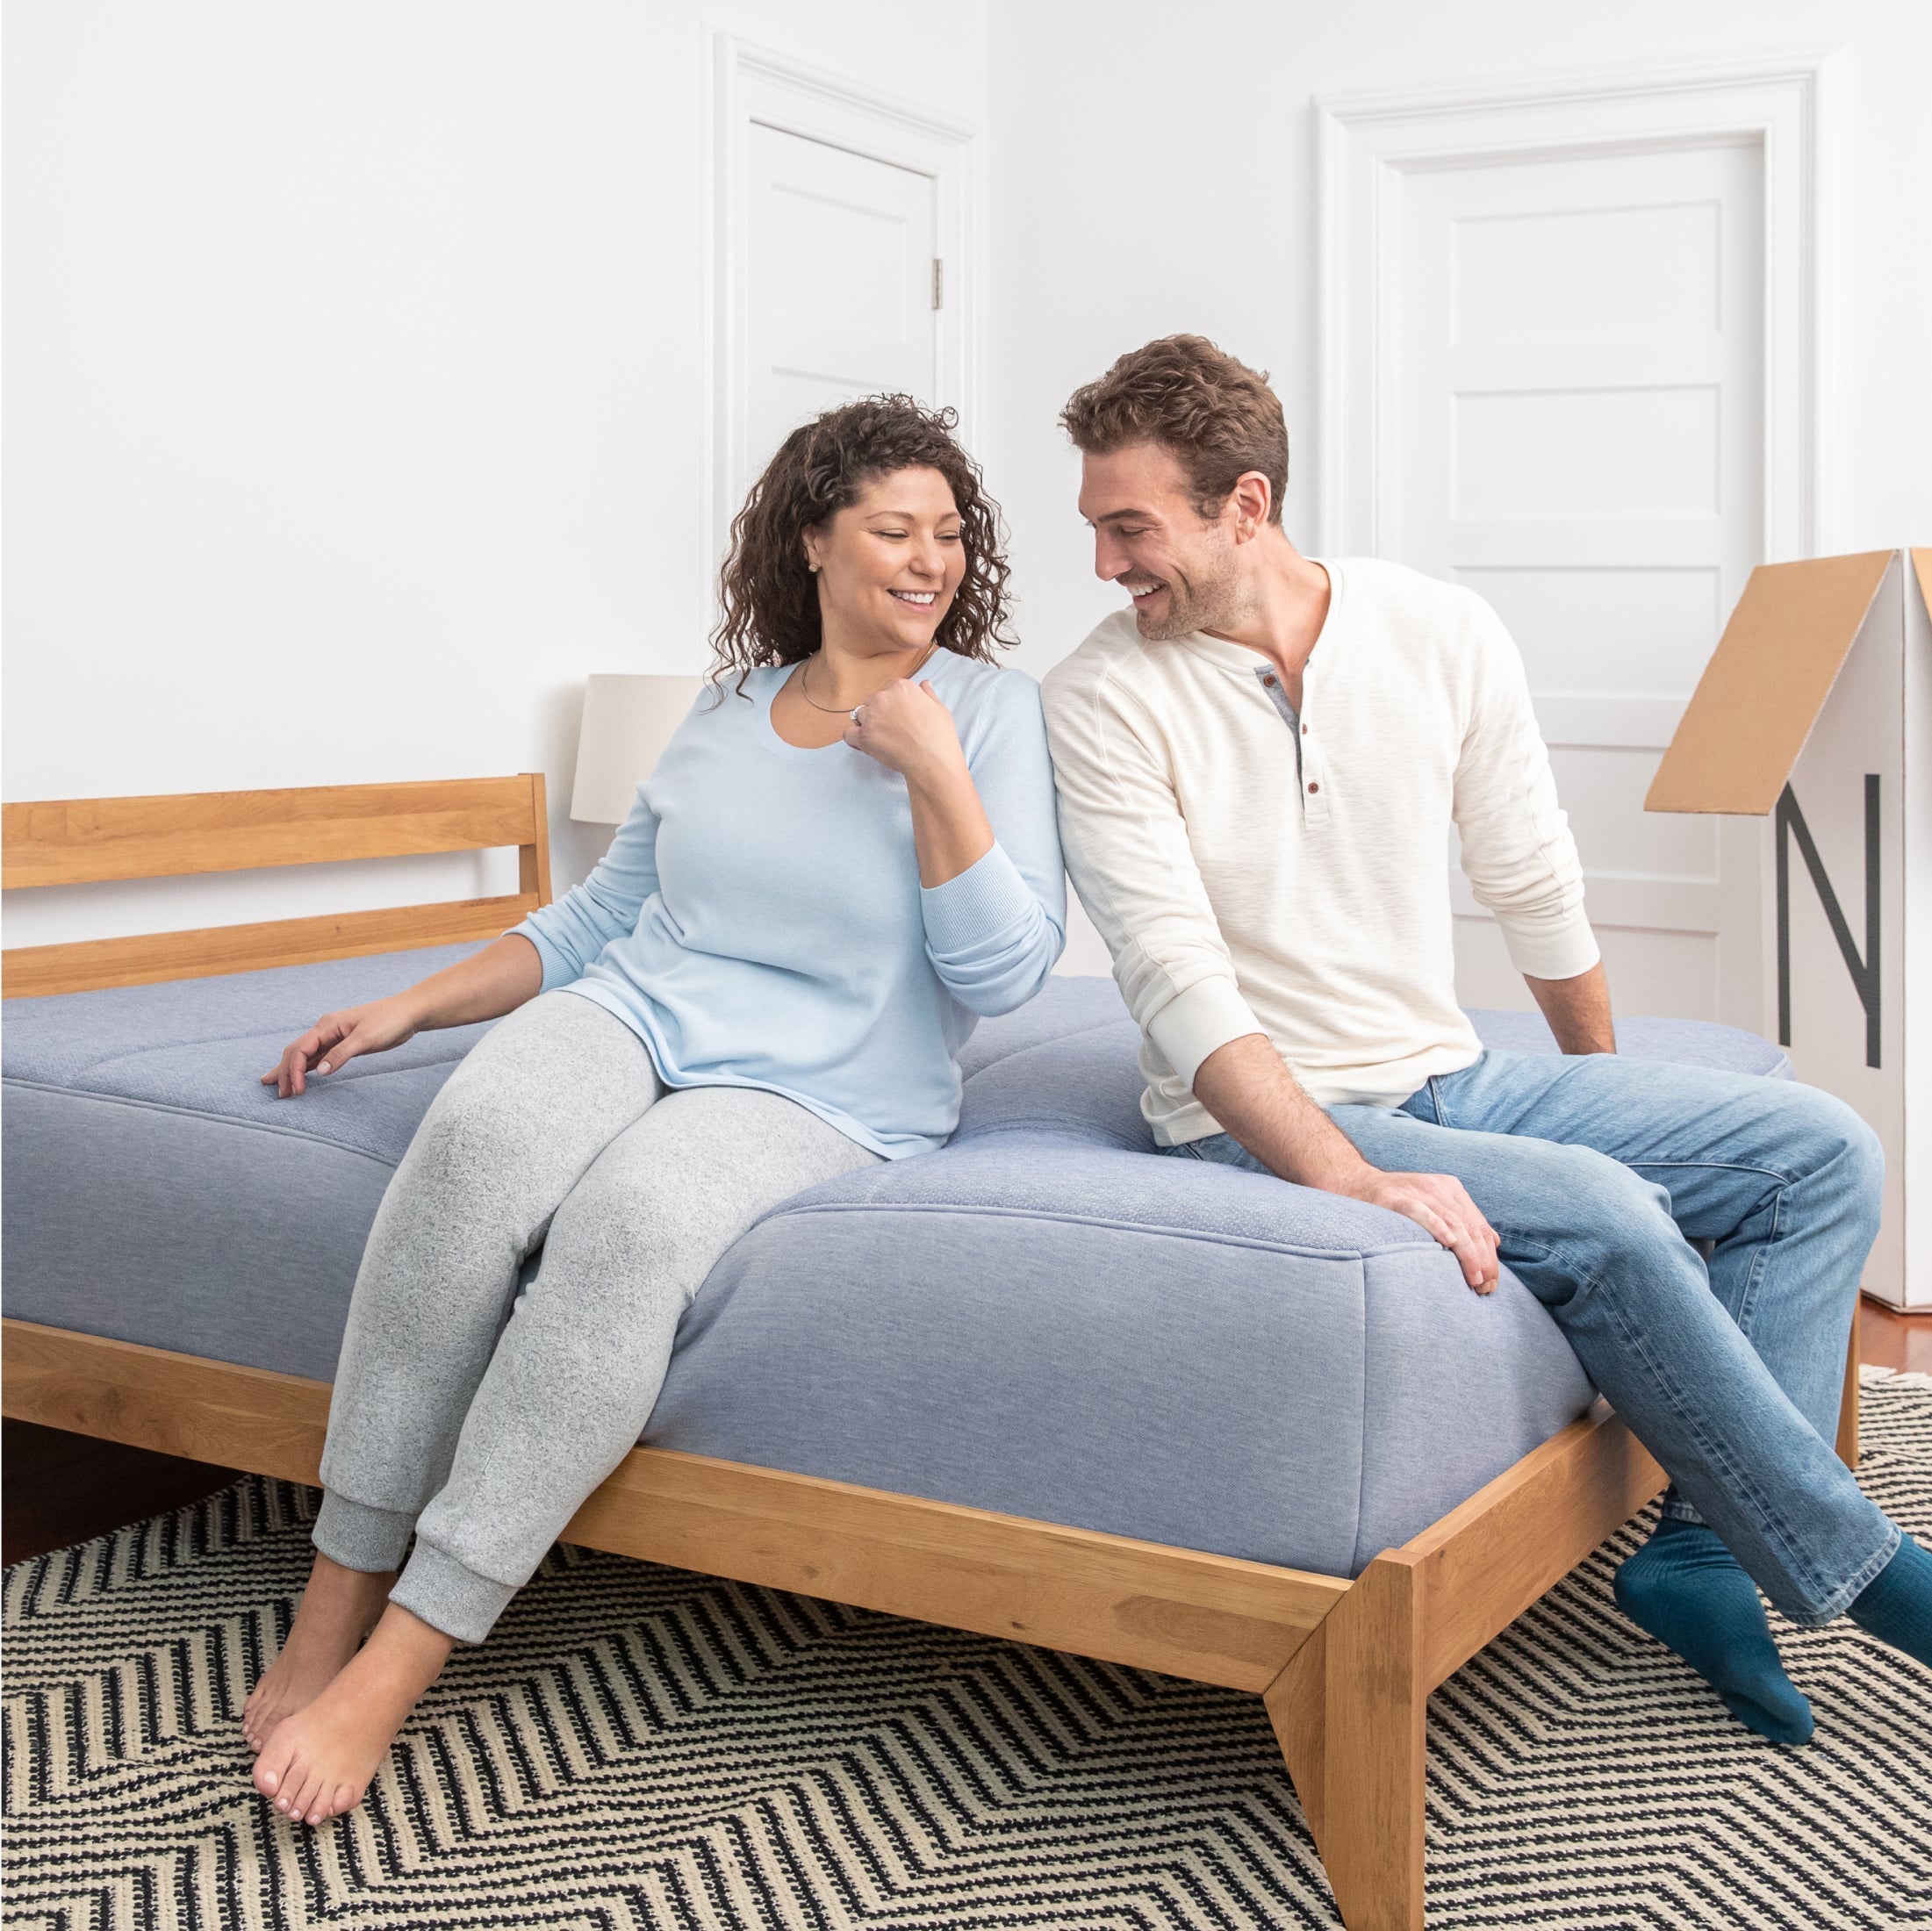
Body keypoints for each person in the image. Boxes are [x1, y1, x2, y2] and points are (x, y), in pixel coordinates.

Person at [1040, 334, 1932, 1746]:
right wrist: (1347, 1178)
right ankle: (1870, 1575)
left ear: (1245, 505)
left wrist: (1600, 1087)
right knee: (1605, 1213)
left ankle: (1696, 1552)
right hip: (1251, 1107)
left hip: (1446, 1066)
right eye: (1095, 527)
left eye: (1128, 528)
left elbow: (1531, 874)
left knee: (1817, 1151)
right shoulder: (1097, 698)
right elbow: (1174, 983)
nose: (1102, 564)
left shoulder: (1433, 627)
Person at [243, 395, 1066, 1824]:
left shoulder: (990, 714)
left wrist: (933, 769)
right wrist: (410, 1006)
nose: (928, 559)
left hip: (829, 1083)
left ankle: (414, 1641)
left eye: (947, 534)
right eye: (893, 529)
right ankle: (338, 1585)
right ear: (814, 539)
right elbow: (599, 918)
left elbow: (1005, 970)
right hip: (636, 1010)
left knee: (625, 1223)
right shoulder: (728, 705)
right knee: (480, 1144)